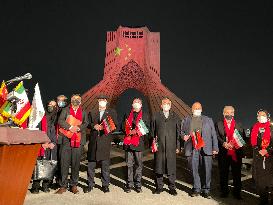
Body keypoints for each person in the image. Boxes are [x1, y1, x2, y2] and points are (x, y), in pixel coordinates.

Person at [181, 102, 218, 198]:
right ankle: (196, 188)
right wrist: (182, 136)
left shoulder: (208, 120)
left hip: (206, 148)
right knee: (194, 169)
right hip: (192, 148)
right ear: (192, 109)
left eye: (199, 108)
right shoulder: (186, 120)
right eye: (195, 108)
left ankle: (206, 189)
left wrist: (215, 148)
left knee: (207, 169)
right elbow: (181, 132)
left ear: (201, 109)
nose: (197, 109)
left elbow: (213, 134)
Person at [84, 94, 118, 193]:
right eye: (100, 100)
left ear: (106, 102)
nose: (102, 101)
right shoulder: (92, 112)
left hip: (105, 141)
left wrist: (105, 127)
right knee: (91, 165)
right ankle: (90, 184)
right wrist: (93, 126)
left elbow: (115, 124)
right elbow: (88, 124)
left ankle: (105, 185)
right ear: (98, 101)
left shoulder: (111, 112)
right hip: (94, 142)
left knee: (105, 166)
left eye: (104, 100)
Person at [55, 94, 88, 194]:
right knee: (64, 163)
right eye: (74, 99)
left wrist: (78, 128)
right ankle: (63, 185)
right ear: (71, 100)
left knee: (75, 164)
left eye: (78, 99)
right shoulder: (66, 110)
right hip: (66, 141)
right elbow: (60, 121)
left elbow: (86, 123)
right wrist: (70, 127)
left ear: (81, 102)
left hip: (78, 142)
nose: (76, 100)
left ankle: (74, 185)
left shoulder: (84, 112)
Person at [151, 97, 181, 196]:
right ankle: (159, 187)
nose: (166, 105)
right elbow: (152, 132)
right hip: (159, 146)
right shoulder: (156, 116)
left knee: (171, 167)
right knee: (159, 166)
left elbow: (178, 133)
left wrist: (178, 146)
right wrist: (153, 144)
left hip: (171, 146)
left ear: (170, 105)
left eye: (168, 103)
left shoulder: (175, 117)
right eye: (164, 103)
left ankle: (172, 187)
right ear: (161, 105)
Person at [215, 106, 246, 199]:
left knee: (237, 173)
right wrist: (223, 143)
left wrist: (234, 144)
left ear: (234, 113)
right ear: (223, 113)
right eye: (227, 112)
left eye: (231, 112)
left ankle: (237, 192)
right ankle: (224, 191)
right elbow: (216, 136)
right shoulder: (218, 123)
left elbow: (242, 137)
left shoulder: (239, 124)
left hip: (236, 153)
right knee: (223, 173)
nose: (229, 114)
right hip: (223, 153)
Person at [123, 98, 150, 193]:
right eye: (135, 102)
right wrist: (128, 131)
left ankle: (138, 184)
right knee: (129, 164)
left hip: (138, 143)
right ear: (132, 104)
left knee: (139, 164)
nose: (136, 104)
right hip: (128, 143)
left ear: (141, 105)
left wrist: (137, 131)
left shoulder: (145, 115)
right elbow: (123, 126)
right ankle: (129, 184)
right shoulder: (127, 114)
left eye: (138, 102)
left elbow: (147, 128)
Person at [30, 100, 58, 193]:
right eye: (50, 104)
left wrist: (53, 143)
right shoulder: (41, 117)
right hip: (41, 145)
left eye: (53, 106)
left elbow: (57, 132)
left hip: (51, 146)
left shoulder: (55, 118)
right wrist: (41, 143)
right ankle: (36, 186)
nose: (51, 107)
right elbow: (36, 131)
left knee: (49, 165)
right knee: (39, 165)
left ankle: (46, 185)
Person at [251, 109, 273, 205]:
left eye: (263, 115)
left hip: (270, 160)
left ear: (267, 116)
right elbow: (253, 142)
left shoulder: (272, 128)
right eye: (259, 115)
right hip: (258, 159)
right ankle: (263, 201)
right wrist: (257, 149)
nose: (261, 117)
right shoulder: (254, 128)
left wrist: (267, 150)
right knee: (261, 184)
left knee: (271, 183)